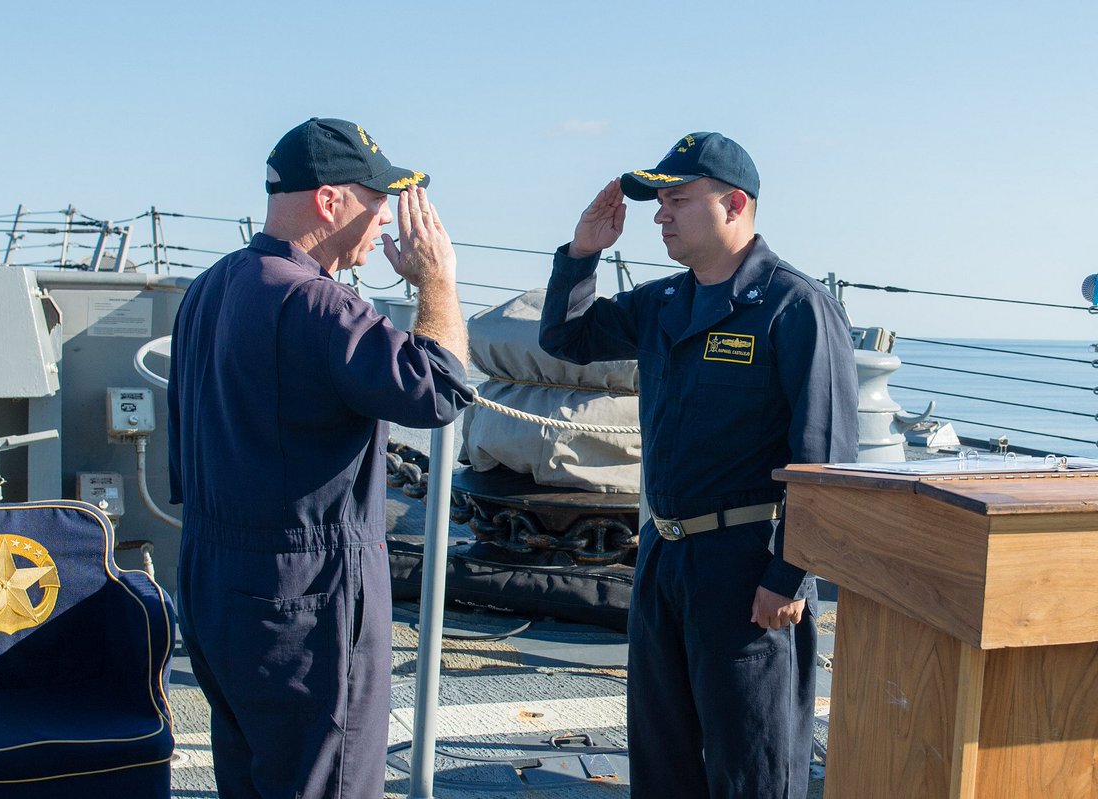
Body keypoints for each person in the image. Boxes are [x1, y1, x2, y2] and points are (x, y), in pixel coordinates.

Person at [539, 132, 858, 798]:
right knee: (662, 760)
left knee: (752, 765)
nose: (660, 215)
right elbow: (567, 336)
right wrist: (582, 252)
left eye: (677, 200)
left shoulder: (794, 308)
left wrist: (788, 576)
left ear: (735, 203)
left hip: (746, 569)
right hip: (663, 555)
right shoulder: (662, 305)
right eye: (659, 202)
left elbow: (824, 460)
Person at [167, 117, 472, 799]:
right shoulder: (319, 303)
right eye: (378, 198)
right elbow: (442, 388)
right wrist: (437, 282)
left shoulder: (208, 289)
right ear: (330, 201)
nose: (388, 217)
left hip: (215, 581)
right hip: (305, 597)